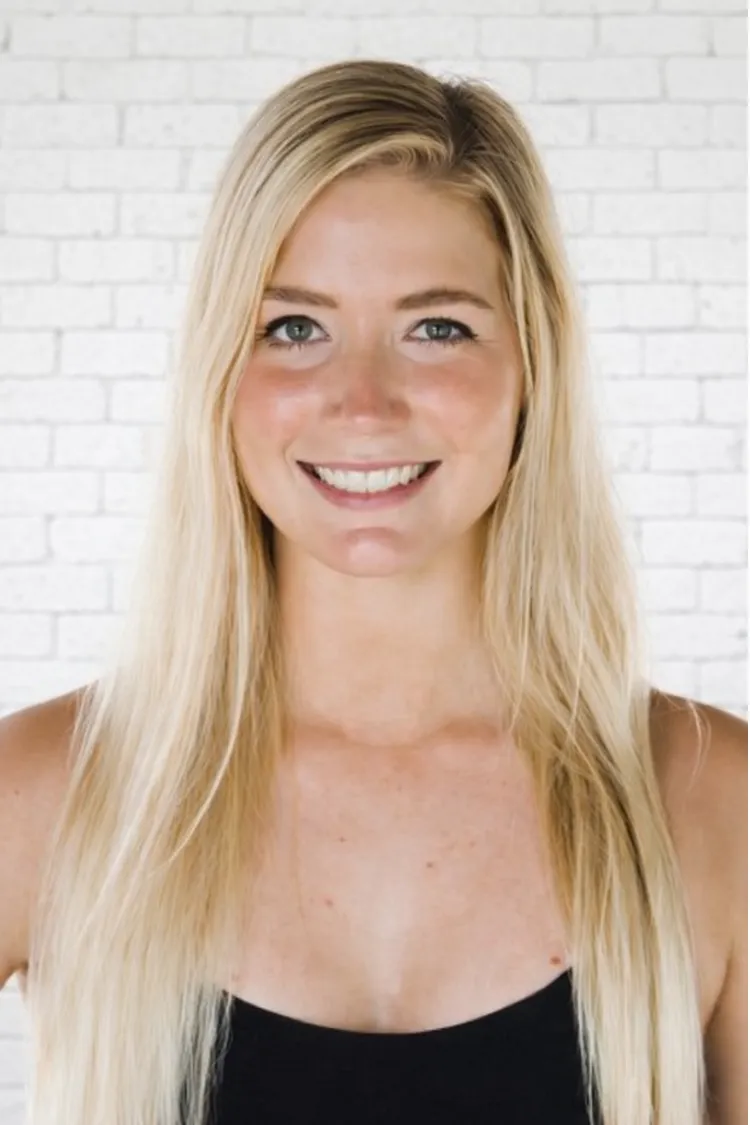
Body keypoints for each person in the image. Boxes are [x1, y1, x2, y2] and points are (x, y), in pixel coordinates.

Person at [0, 58, 745, 1125]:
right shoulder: (46, 795)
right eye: (293, 327)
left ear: (534, 364)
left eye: (437, 326)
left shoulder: (710, 802)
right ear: (221, 365)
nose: (361, 403)